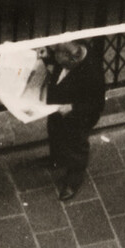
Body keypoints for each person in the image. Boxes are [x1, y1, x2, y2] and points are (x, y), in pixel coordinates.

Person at [42, 40, 106, 202]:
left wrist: (73, 107)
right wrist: (48, 56)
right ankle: (56, 158)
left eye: (60, 61)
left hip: (78, 116)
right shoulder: (71, 51)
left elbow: (96, 104)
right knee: (54, 130)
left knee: (76, 144)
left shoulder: (92, 74)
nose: (58, 64)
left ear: (72, 60)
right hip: (58, 105)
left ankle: (74, 179)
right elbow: (57, 59)